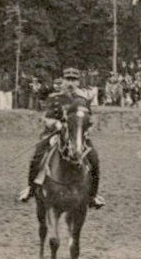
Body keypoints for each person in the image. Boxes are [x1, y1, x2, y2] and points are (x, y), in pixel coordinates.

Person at [18, 67, 105, 209]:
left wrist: (86, 129)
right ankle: (31, 188)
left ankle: (93, 195)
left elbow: (91, 119)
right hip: (56, 135)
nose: (70, 83)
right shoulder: (55, 98)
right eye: (68, 79)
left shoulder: (82, 100)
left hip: (77, 136)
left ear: (78, 82)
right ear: (63, 81)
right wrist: (56, 123)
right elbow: (46, 118)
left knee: (94, 158)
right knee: (38, 154)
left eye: (73, 80)